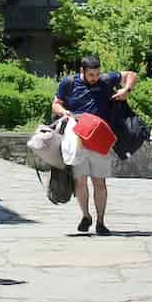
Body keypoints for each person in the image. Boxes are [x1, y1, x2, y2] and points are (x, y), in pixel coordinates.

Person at [52, 53, 139, 235]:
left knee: (99, 182)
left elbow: (131, 74)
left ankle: (100, 221)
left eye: (97, 74)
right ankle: (85, 216)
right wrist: (64, 112)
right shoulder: (68, 83)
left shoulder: (106, 80)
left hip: (100, 138)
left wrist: (126, 89)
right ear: (82, 71)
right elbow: (56, 104)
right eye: (91, 75)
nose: (95, 78)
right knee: (80, 181)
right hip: (77, 138)